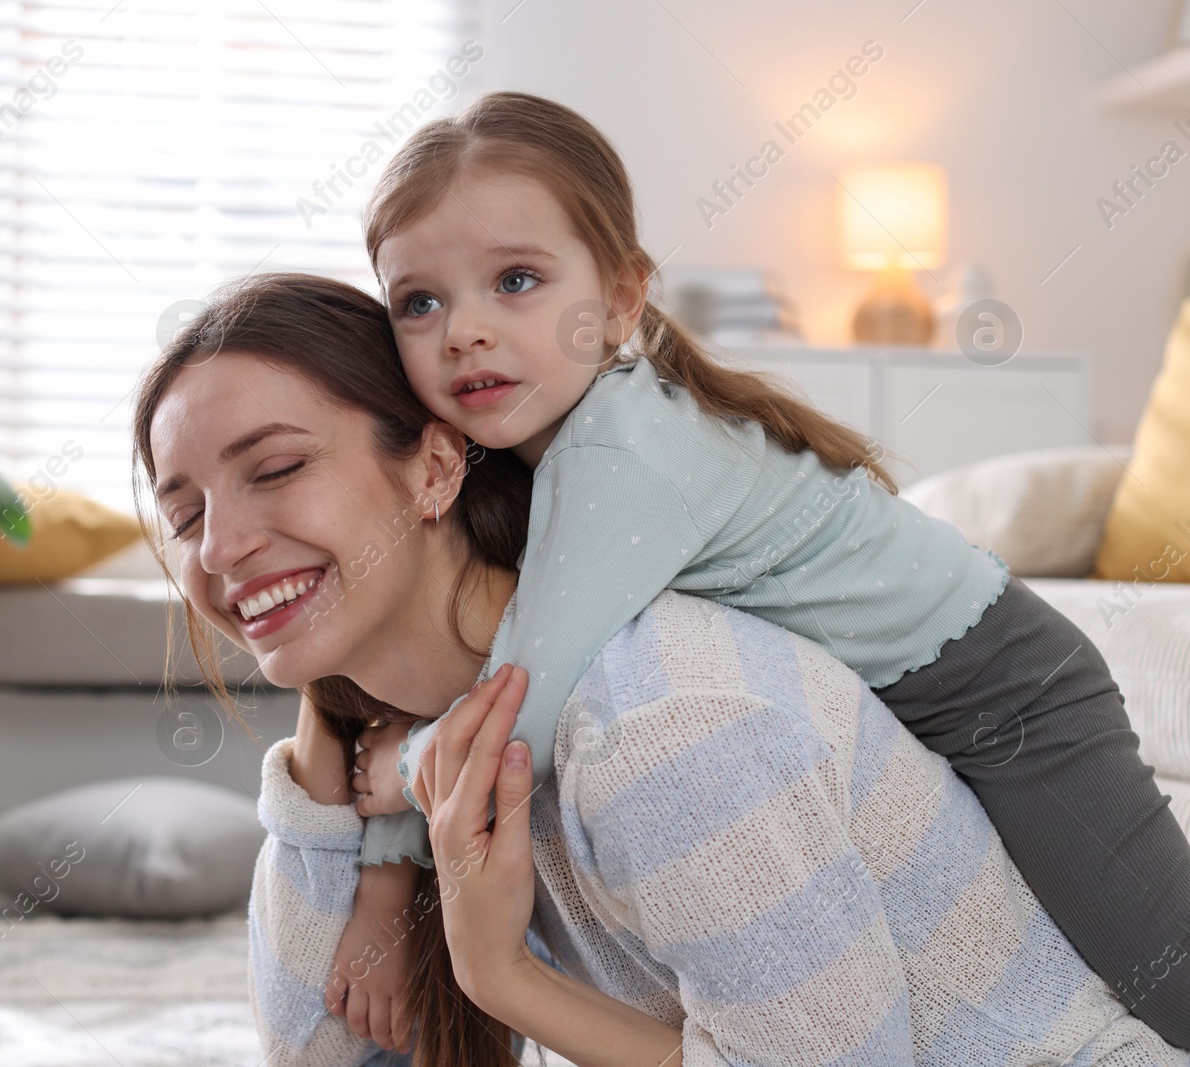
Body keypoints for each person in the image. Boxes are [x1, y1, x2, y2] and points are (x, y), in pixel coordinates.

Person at [132, 272, 1190, 1066]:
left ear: (437, 465)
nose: (218, 547)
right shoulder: (404, 753)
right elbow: (324, 1051)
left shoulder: (662, 721)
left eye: (276, 469)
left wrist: (496, 973)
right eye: (183, 514)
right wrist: (328, 764)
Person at [345, 90, 1190, 1049]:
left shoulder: (622, 458)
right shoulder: (531, 449)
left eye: (517, 281)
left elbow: (518, 711)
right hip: (910, 705)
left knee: (1169, 976)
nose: (464, 330)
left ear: (621, 299)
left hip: (1014, 701)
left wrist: (397, 768)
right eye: (419, 302)